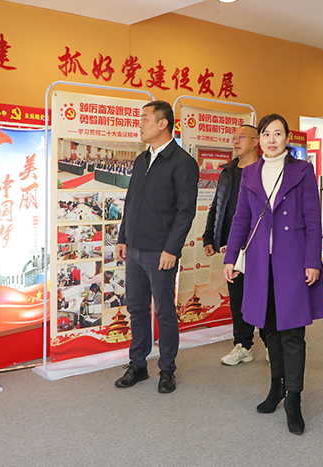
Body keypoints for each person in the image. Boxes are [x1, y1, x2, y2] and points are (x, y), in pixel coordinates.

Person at [224, 114, 323, 435]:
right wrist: (231, 257)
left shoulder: (302, 170)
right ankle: (277, 387)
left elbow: (313, 218)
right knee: (269, 329)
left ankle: (294, 399)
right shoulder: (250, 173)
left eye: (277, 134)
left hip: (293, 261)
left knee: (293, 334)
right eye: (266, 134)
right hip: (260, 263)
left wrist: (313, 261)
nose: (271, 140)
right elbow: (241, 218)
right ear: (259, 139)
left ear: (287, 138)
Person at [114, 100, 199, 394]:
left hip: (161, 252)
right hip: (135, 249)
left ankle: (167, 369)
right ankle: (138, 365)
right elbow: (131, 202)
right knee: (137, 309)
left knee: (164, 312)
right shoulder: (141, 160)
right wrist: (123, 237)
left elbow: (185, 211)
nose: (140, 124)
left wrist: (172, 249)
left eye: (145, 119)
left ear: (163, 124)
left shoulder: (182, 162)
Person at [203, 124, 266, 366]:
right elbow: (217, 206)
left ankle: (271, 345)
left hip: (261, 245)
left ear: (255, 141)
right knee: (238, 298)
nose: (235, 142)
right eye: (234, 138)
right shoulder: (228, 172)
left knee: (265, 296)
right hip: (234, 246)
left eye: (241, 137)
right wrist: (210, 237)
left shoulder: (266, 170)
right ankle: (243, 345)